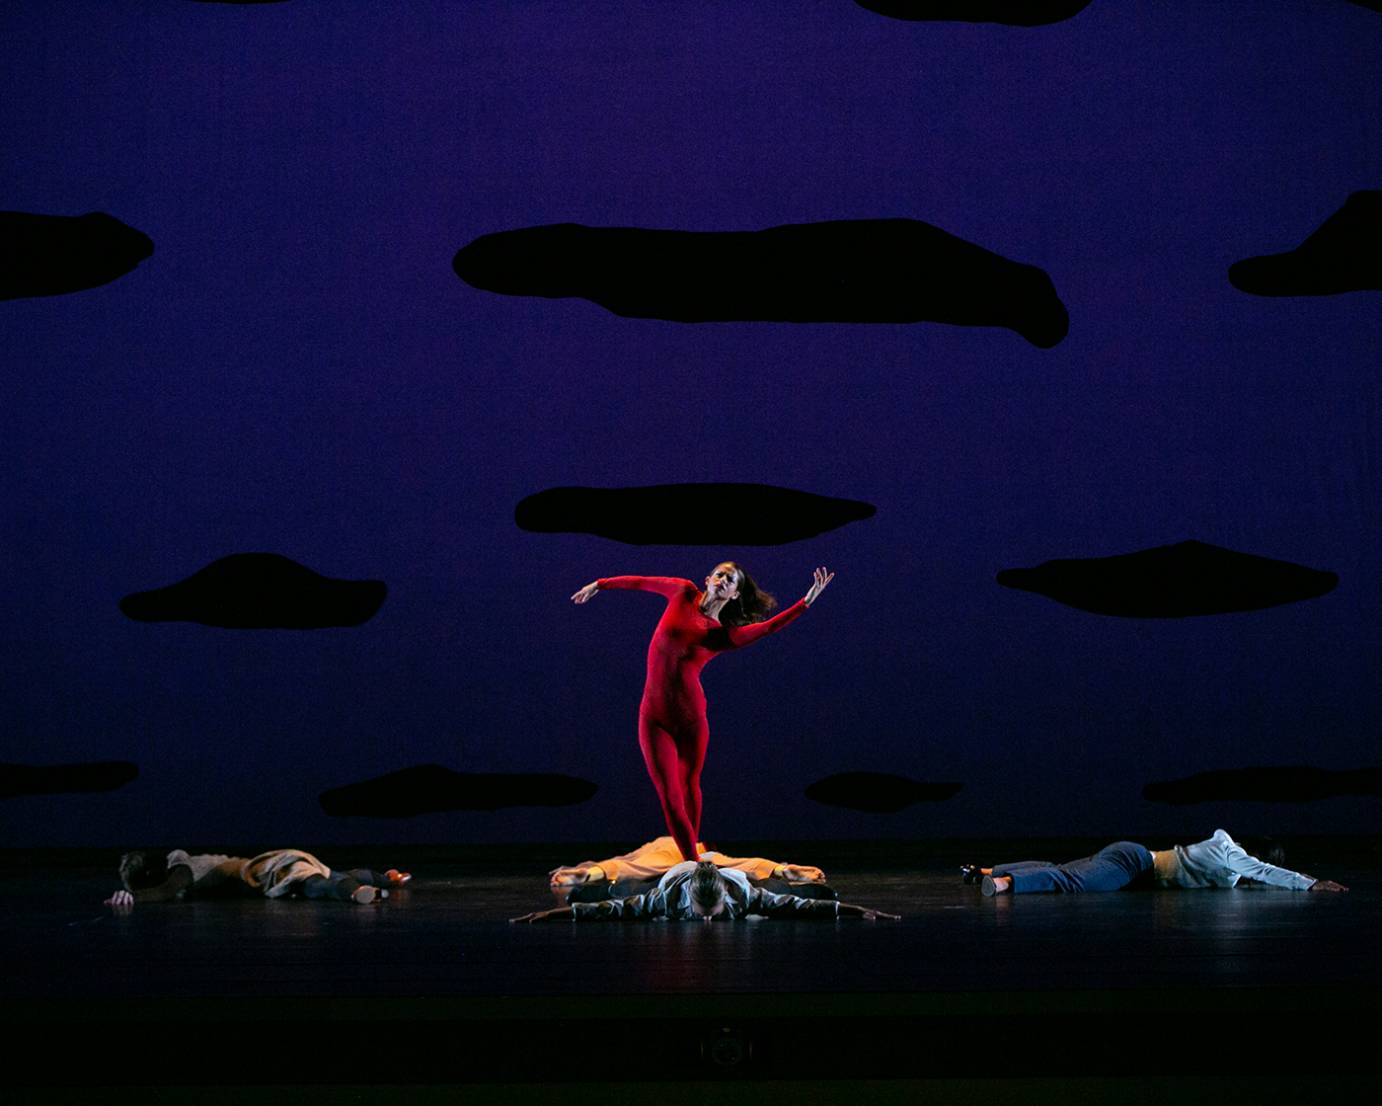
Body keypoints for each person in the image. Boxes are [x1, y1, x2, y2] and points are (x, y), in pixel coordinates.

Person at [571, 562, 833, 862]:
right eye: (719, 574)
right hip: (654, 719)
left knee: (689, 785)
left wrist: (806, 602)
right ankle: (693, 864)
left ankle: (691, 861)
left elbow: (768, 627)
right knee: (669, 797)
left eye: (730, 579)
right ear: (707, 580)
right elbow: (641, 581)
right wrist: (600, 583)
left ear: (735, 594)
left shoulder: (721, 635)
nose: (723, 579)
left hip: (691, 721)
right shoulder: (682, 591)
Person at [964, 829, 1348, 895]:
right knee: (1075, 883)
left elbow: (1258, 878)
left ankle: (986, 871)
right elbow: (1264, 872)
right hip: (1135, 864)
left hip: (1133, 860)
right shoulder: (1233, 855)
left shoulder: (1228, 861)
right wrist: (1309, 882)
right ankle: (1003, 885)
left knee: (1062, 869)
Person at [512, 859, 898, 923]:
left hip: (724, 866)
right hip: (671, 871)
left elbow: (798, 906)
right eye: (701, 913)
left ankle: (782, 869)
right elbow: (610, 910)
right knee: (628, 880)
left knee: (818, 895)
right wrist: (552, 914)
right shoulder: (665, 898)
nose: (707, 923)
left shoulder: (745, 895)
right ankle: (593, 875)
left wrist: (858, 909)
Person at [548, 835, 831, 900]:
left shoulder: (656, 844)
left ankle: (588, 874)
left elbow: (627, 861)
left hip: (668, 850)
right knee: (727, 863)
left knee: (629, 866)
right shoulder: (693, 846)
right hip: (696, 849)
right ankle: (781, 870)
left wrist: (588, 869)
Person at [104, 847, 412, 907]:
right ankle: (387, 879)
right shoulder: (186, 864)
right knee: (328, 872)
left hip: (264, 869)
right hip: (273, 861)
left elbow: (169, 889)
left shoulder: (180, 864)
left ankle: (356, 892)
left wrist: (134, 897)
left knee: (309, 883)